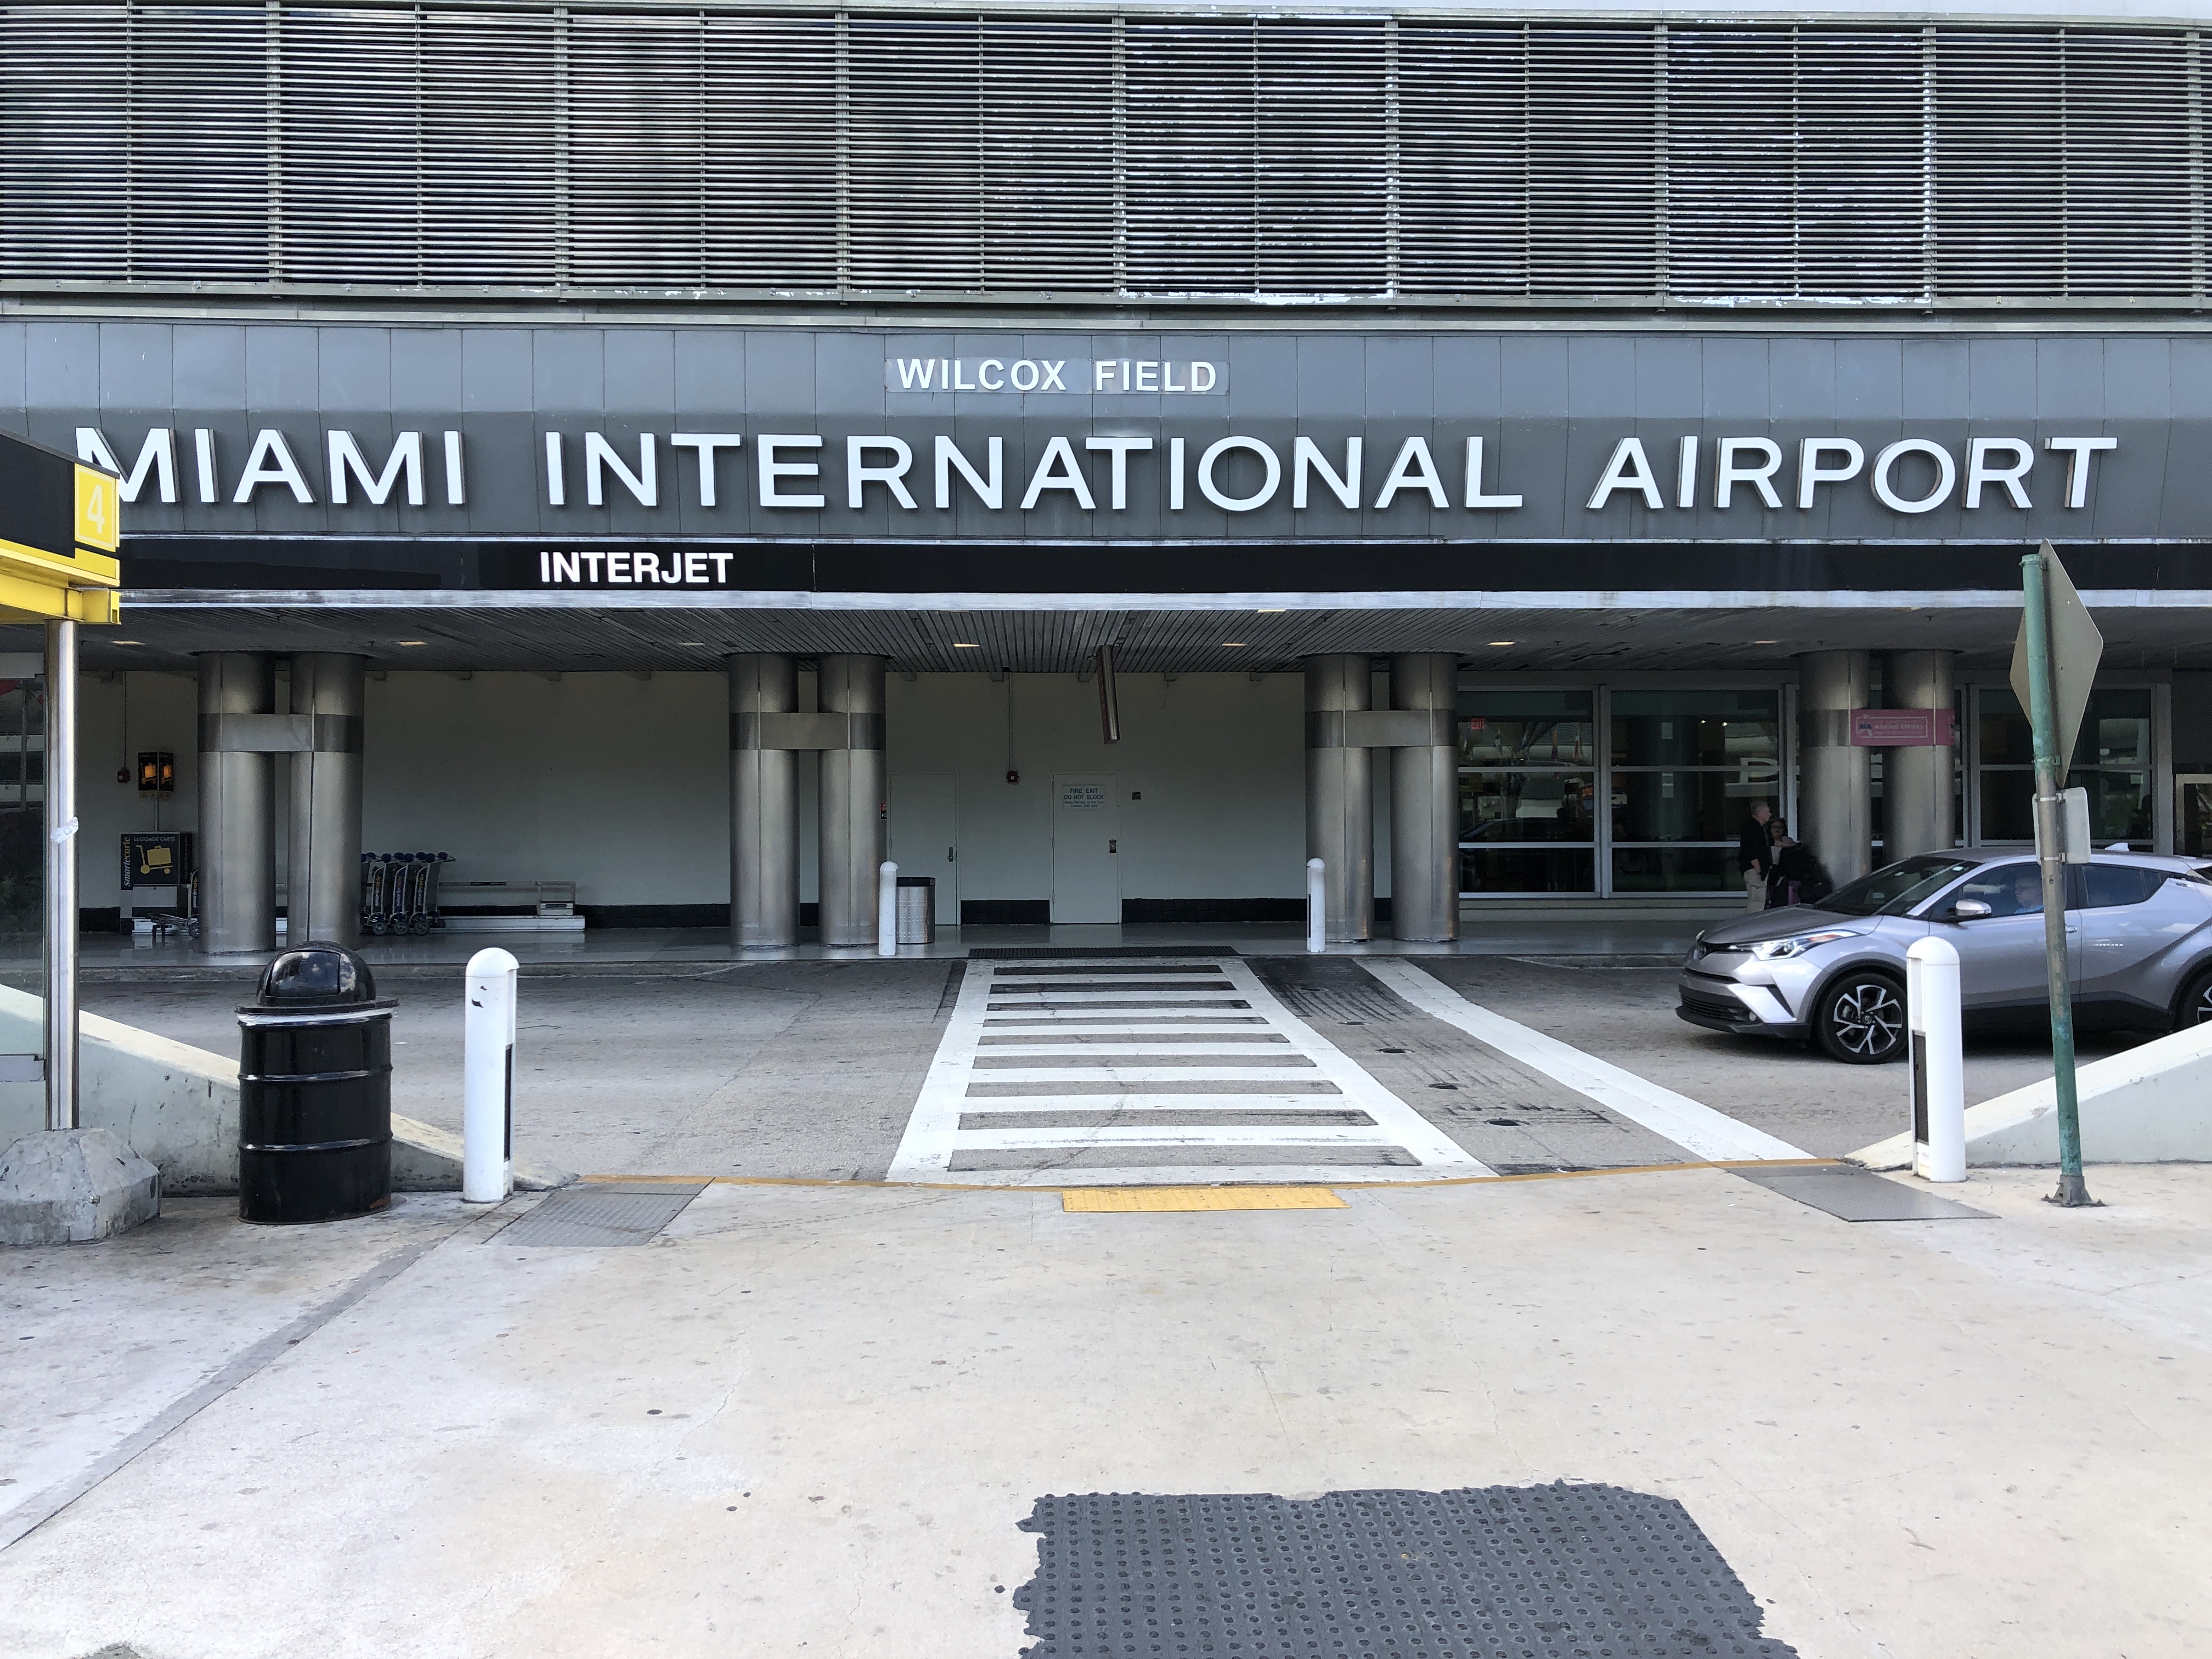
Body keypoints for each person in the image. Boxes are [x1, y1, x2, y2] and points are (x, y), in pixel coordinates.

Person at [1765, 820, 1826, 908]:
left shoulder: (1788, 840)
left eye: (1781, 827)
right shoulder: (1767, 842)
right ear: (1770, 829)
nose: (1778, 830)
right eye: (1775, 827)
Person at [1738, 798, 1773, 912]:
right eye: (1767, 812)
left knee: (1759, 899)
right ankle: (1752, 924)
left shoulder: (1760, 828)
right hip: (1755, 870)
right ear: (1760, 813)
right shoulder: (1751, 828)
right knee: (1756, 899)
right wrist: (1758, 867)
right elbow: (1750, 849)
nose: (1770, 814)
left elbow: (1770, 842)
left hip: (1760, 869)